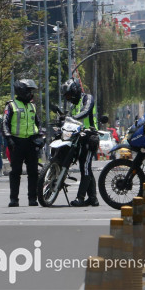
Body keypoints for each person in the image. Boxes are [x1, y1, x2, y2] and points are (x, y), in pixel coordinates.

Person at [2, 79, 41, 207]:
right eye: (29, 91)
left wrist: (40, 136)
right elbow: (5, 124)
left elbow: (38, 123)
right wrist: (9, 138)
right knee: (15, 172)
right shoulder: (11, 105)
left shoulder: (32, 106)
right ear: (22, 91)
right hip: (16, 142)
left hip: (31, 142)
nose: (31, 94)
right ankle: (14, 199)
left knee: (33, 172)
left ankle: (32, 198)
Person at [62, 78, 100, 207]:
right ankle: (93, 198)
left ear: (75, 91)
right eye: (66, 96)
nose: (68, 98)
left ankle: (81, 198)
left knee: (85, 168)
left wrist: (73, 118)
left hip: (90, 137)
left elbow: (87, 110)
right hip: (78, 138)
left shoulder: (87, 98)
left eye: (69, 95)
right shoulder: (73, 106)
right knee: (86, 167)